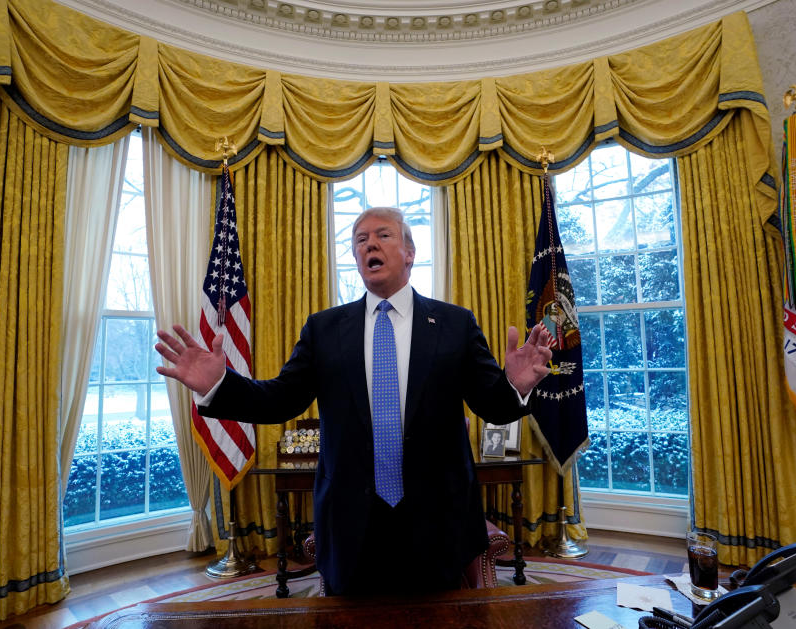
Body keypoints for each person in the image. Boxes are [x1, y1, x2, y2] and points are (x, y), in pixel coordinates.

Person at [155, 206, 552, 596]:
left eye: (383, 235)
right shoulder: (325, 328)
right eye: (360, 240)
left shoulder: (454, 323)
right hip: (350, 522)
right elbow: (280, 400)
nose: (369, 245)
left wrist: (514, 384)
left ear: (410, 252)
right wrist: (221, 385)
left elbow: (492, 404)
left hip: (438, 520)